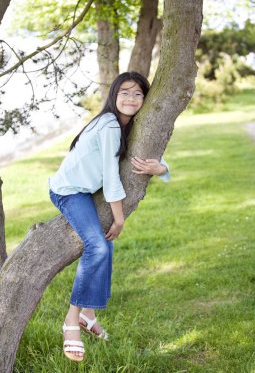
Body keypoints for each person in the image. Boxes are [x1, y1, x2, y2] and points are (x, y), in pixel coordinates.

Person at [49, 71, 170, 362]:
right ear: (114, 95)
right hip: (68, 192)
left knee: (105, 246)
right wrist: (119, 218)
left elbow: (138, 157)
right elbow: (111, 177)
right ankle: (72, 319)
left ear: (145, 98)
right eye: (125, 92)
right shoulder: (109, 125)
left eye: (138, 94)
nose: (131, 98)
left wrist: (162, 169)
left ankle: (88, 315)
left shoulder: (128, 124)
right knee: (99, 245)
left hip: (87, 191)